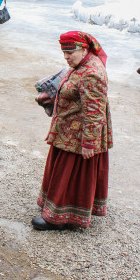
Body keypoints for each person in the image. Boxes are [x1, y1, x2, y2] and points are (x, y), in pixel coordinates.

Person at [32, 31, 112, 231]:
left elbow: (94, 112)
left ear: (84, 49)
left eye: (70, 52)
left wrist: (89, 143)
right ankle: (58, 209)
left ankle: (61, 218)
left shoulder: (92, 73)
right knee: (64, 171)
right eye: (64, 52)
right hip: (69, 130)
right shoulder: (80, 65)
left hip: (79, 135)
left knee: (71, 173)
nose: (66, 57)